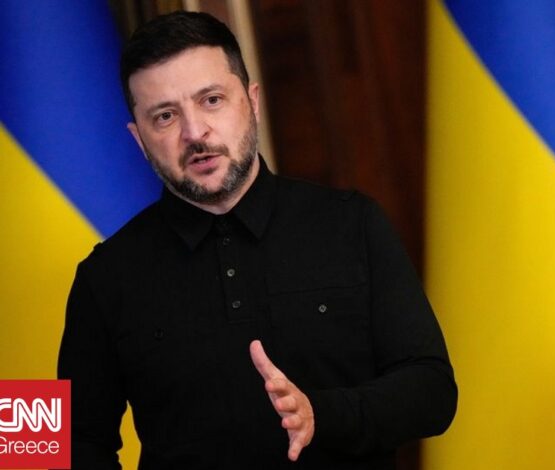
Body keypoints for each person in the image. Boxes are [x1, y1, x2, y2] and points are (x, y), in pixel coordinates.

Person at [57, 10, 457, 470]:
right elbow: (56, 444)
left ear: (252, 101)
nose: (194, 133)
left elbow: (434, 391)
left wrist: (322, 414)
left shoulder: (353, 223)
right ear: (139, 139)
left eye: (211, 100)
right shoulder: (101, 276)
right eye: (165, 116)